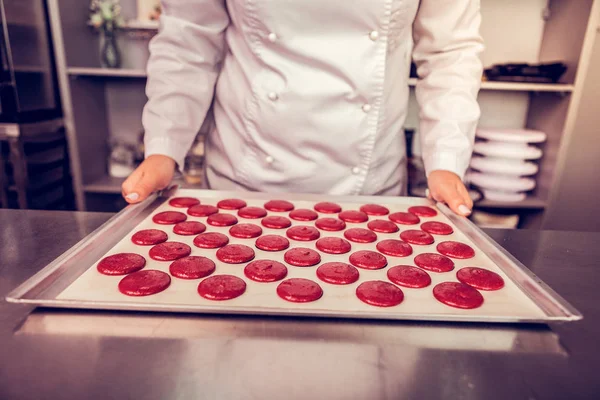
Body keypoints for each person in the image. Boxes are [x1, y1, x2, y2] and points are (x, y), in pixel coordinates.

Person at [122, 0, 483, 216]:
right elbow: (188, 39)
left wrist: (446, 162)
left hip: (370, 188)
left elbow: (449, 51)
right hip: (244, 183)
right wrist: (164, 147)